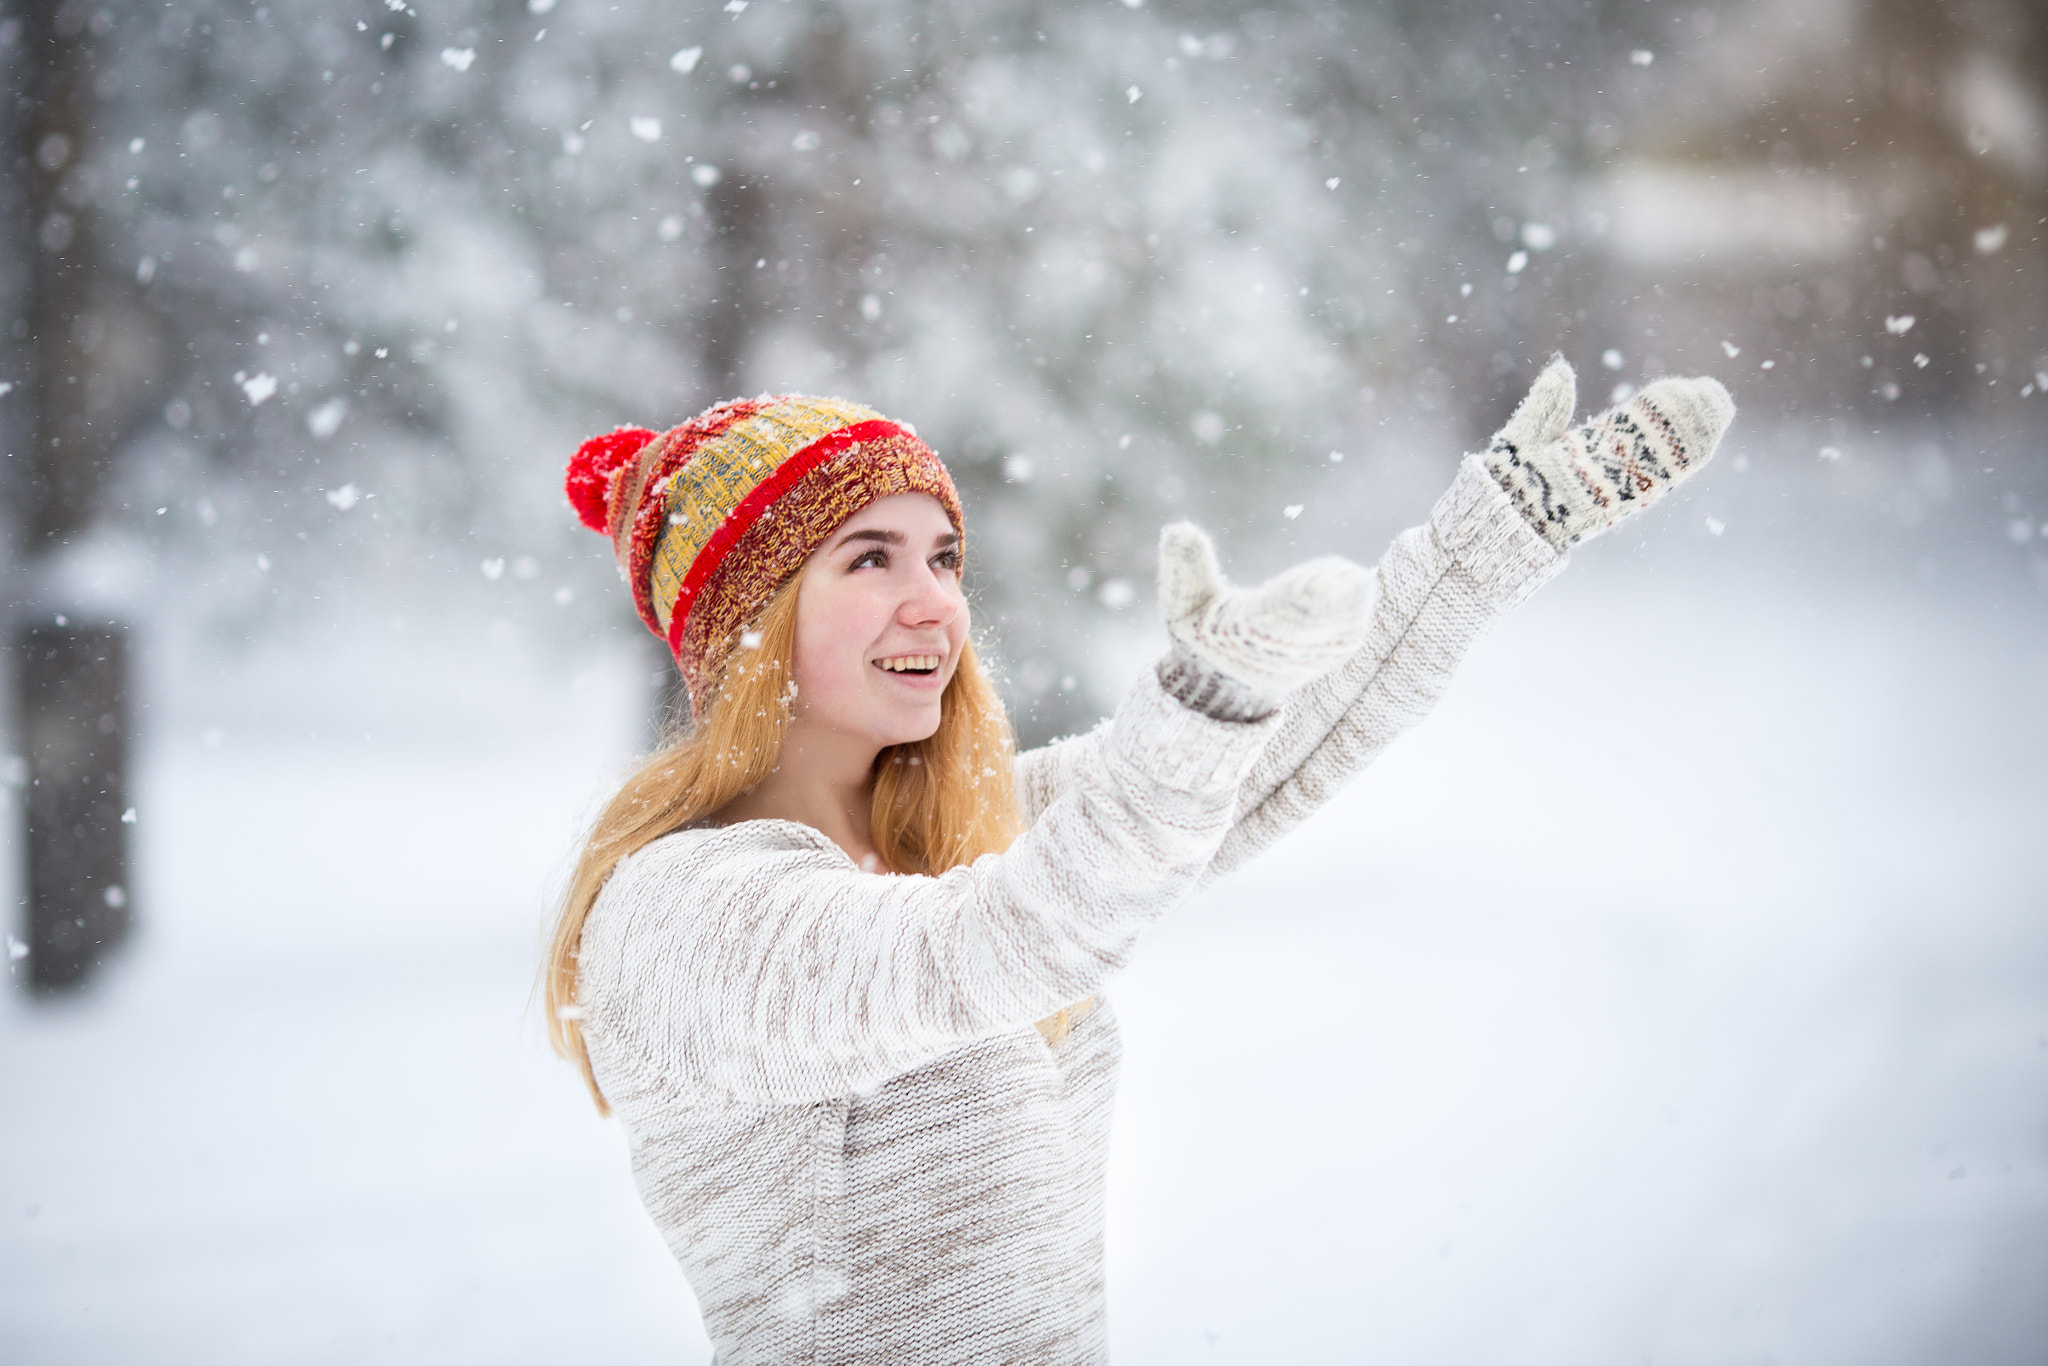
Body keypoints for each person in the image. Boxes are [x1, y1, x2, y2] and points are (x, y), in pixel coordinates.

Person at [543, 364, 1732, 1365]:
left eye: (945, 557)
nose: (934, 607)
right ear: (750, 619)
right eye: (869, 559)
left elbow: (1254, 769)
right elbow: (1012, 936)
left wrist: (1491, 540)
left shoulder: (940, 842)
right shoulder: (685, 914)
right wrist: (1204, 700)